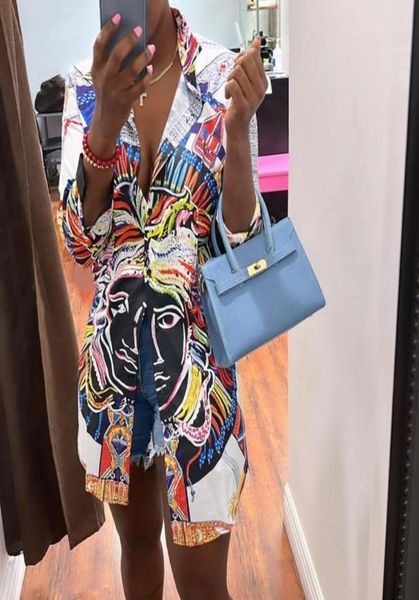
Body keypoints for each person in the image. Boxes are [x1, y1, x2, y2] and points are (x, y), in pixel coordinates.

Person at [59, 2, 267, 598]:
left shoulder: (221, 75)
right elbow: (79, 242)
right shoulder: (84, 85)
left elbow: (244, 244)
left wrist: (237, 133)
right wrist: (105, 123)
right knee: (137, 550)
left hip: (197, 378)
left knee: (204, 586)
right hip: (115, 378)